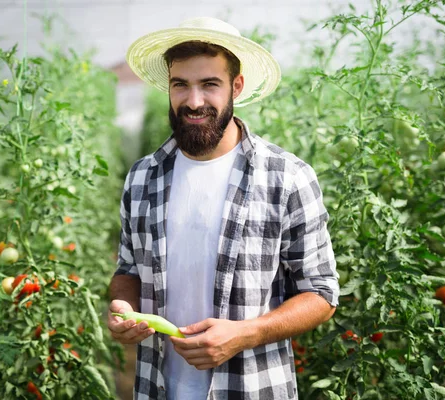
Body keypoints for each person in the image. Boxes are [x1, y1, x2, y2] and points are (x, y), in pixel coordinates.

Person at [107, 17, 339, 400]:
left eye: (209, 84)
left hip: (251, 387)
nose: (193, 101)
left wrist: (244, 334)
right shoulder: (142, 177)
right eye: (181, 85)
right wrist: (124, 305)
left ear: (237, 86)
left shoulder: (287, 177)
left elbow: (321, 293)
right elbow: (127, 269)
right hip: (157, 386)